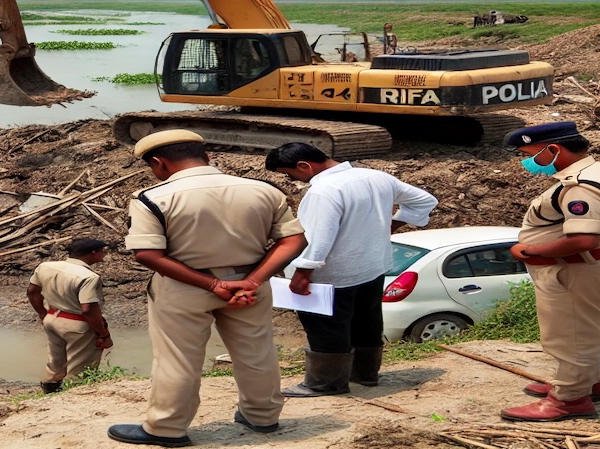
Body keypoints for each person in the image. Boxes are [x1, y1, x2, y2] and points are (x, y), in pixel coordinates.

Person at [108, 130, 307, 448]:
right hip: (250, 286)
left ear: (159, 164)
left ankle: (167, 428)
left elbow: (147, 253)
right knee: (257, 351)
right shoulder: (264, 190)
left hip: (186, 288)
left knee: (178, 358)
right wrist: (254, 280)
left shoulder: (152, 198)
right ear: (207, 156)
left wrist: (213, 284)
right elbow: (293, 239)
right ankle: (263, 416)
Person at [265, 142, 438, 397]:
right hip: (372, 267)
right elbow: (425, 200)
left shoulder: (324, 190)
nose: (291, 180)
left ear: (304, 165)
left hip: (333, 274)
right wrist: (393, 225)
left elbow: (318, 237)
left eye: (289, 174)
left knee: (326, 327)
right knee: (366, 322)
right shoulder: (376, 177)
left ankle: (325, 383)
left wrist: (303, 272)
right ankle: (365, 374)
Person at [499, 122, 600, 422]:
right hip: (584, 265)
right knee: (583, 329)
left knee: (570, 335)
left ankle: (569, 399)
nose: (525, 162)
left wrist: (528, 251)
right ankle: (587, 383)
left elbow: (583, 238)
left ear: (553, 149)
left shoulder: (581, 185)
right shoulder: (594, 172)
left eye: (529, 154)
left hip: (575, 268)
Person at [27, 238, 112, 394]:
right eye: (103, 252)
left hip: (52, 318)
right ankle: (76, 395)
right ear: (93, 253)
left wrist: (42, 314)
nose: (104, 255)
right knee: (81, 366)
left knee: (55, 362)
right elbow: (88, 308)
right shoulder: (89, 277)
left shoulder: (46, 266)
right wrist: (103, 334)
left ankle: (49, 392)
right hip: (77, 324)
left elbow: (32, 291)